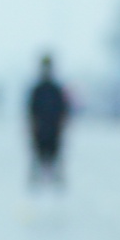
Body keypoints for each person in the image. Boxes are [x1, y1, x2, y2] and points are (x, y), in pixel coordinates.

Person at [27, 54, 70, 188]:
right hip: (41, 126)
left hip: (53, 126)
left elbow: (63, 108)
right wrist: (33, 124)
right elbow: (31, 109)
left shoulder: (55, 89)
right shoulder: (38, 89)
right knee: (39, 151)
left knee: (54, 151)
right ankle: (37, 175)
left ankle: (56, 175)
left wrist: (61, 123)